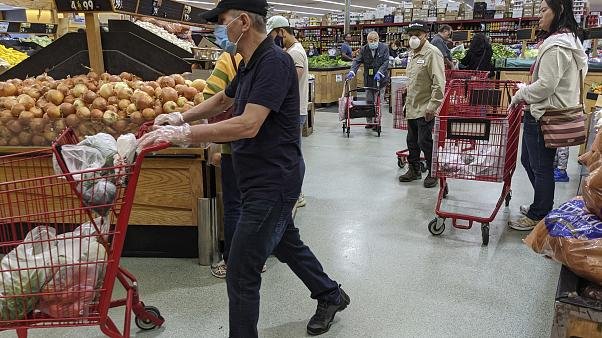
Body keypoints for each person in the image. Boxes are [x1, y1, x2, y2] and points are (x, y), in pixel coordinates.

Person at [139, 1, 350, 336]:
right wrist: (181, 116)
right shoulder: (250, 62)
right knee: (285, 243)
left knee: (240, 271)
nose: (219, 31)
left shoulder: (275, 63)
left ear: (242, 22)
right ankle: (330, 294)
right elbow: (223, 99)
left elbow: (249, 124)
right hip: (257, 177)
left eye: (222, 23)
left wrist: (186, 134)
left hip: (274, 181)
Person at [508, 0, 587, 231]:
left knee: (541, 166)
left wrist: (521, 94)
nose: (539, 16)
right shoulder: (570, 40)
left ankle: (539, 213)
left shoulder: (556, 46)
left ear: (559, 11)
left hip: (544, 115)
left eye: (544, 11)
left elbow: (546, 86)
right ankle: (541, 204)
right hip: (548, 111)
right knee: (530, 161)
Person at [267, 15, 309, 208]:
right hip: (294, 111)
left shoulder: (295, 54)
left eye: (274, 35)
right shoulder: (290, 51)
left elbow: (288, 84)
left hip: (294, 112)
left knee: (293, 153)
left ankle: (297, 193)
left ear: (282, 32)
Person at [397, 20, 445, 188]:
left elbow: (439, 83)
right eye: (410, 36)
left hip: (425, 107)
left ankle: (434, 172)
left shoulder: (432, 53)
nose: (413, 39)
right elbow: (416, 77)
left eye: (417, 35)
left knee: (424, 141)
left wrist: (433, 106)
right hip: (412, 105)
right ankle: (414, 169)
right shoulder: (412, 53)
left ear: (425, 35)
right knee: (411, 140)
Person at [346, 31, 389, 128]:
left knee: (378, 101)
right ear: (367, 40)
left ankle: (377, 122)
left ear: (378, 39)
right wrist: (352, 71)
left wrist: (380, 72)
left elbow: (386, 61)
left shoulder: (384, 48)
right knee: (369, 101)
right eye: (371, 40)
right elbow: (357, 61)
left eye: (375, 40)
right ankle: (370, 122)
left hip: (380, 80)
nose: (373, 42)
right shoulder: (364, 49)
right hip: (369, 80)